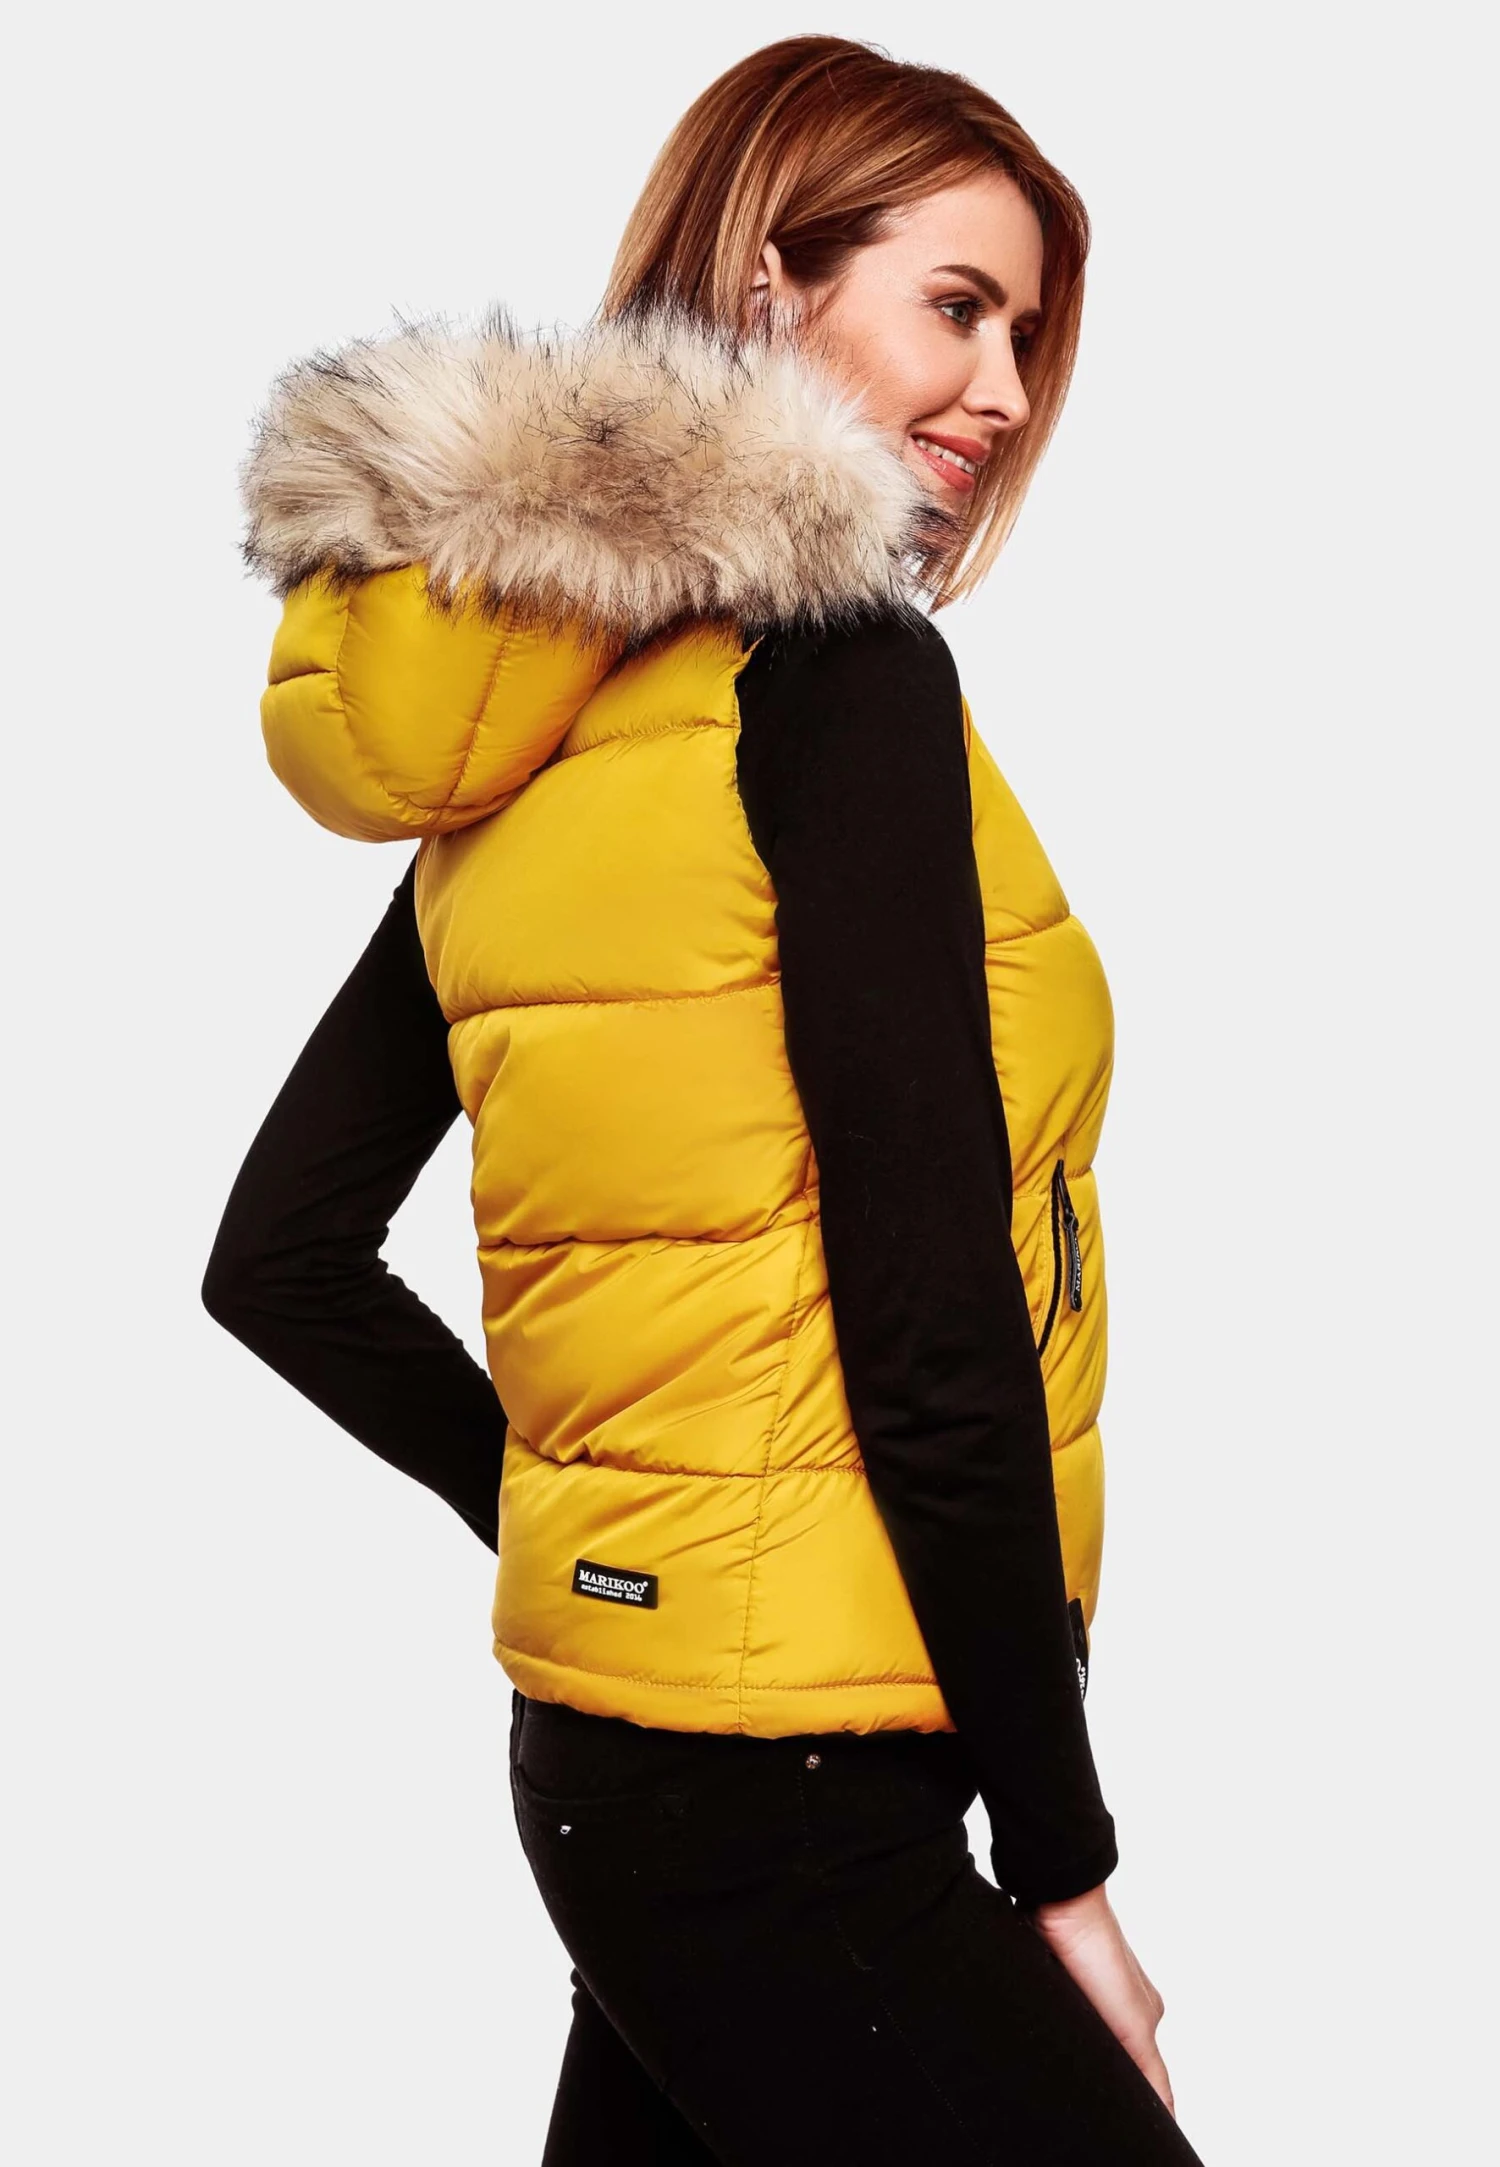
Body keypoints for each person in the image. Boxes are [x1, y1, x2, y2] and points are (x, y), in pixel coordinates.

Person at [204, 34, 1205, 2166]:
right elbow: (930, 1312)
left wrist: (592, 1520)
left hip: (620, 1765)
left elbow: (278, 1256)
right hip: (803, 1799)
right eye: (956, 305)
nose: (1005, 388)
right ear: (768, 278)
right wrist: (1066, 1866)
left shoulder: (545, 738)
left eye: (1027, 334)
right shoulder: (843, 683)